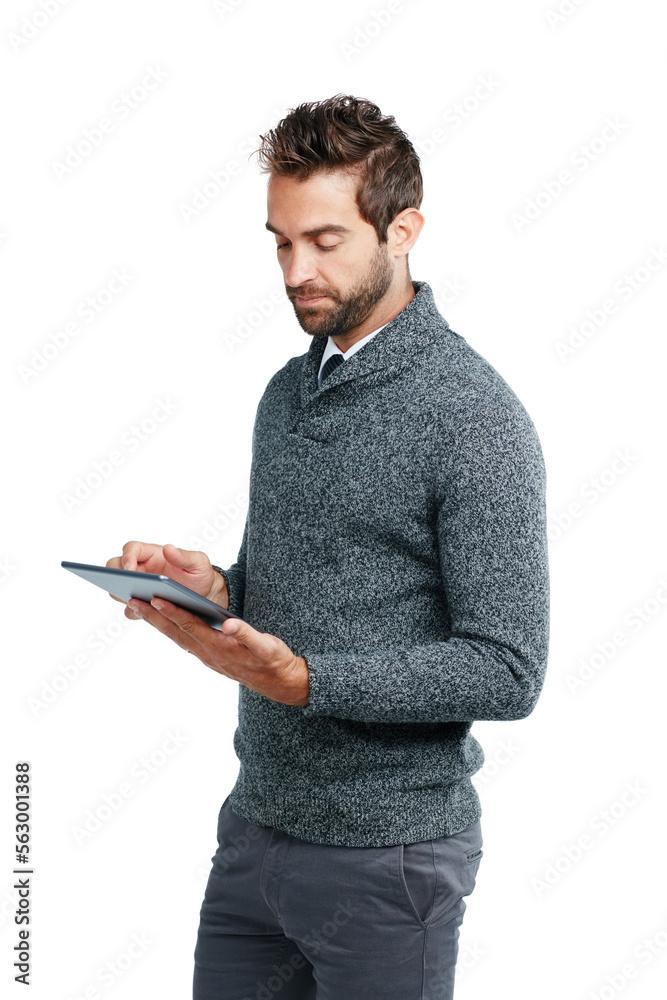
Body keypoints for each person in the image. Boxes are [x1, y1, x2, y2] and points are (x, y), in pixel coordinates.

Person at [106, 94, 550, 999]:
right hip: (254, 832)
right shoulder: (285, 392)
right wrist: (217, 588)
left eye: (324, 240)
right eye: (279, 241)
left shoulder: (473, 416)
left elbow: (508, 670)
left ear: (402, 229)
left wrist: (305, 681)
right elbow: (291, 602)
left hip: (389, 861)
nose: (294, 269)